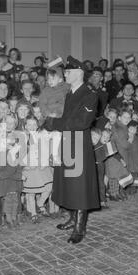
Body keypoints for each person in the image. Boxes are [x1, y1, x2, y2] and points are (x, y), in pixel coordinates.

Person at [44, 56, 100, 244]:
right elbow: (64, 117)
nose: (64, 74)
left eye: (67, 72)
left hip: (78, 144)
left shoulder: (90, 94)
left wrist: (53, 122)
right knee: (66, 182)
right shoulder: (68, 93)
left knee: (79, 185)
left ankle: (80, 227)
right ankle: (72, 218)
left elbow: (80, 122)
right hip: (65, 142)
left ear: (79, 73)